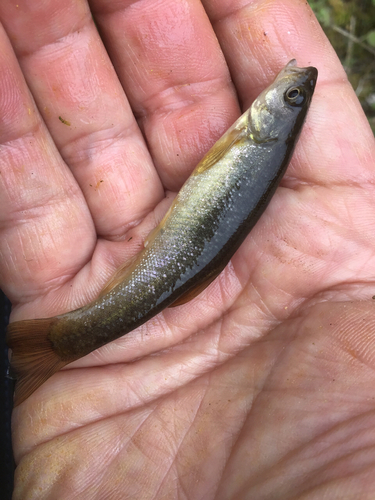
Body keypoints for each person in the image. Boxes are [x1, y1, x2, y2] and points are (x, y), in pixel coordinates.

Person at [1, 0, 374, 498]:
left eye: (290, 96)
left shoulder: (261, 140)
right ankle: (57, 344)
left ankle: (65, 341)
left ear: (276, 121)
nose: (287, 87)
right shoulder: (262, 142)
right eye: (293, 93)